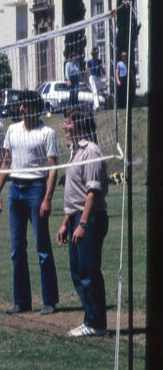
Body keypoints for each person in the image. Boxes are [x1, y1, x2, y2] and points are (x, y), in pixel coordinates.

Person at [0, 90, 60, 315]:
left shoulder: (47, 133)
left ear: (35, 108)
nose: (21, 109)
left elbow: (53, 169)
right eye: (20, 106)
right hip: (16, 190)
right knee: (17, 249)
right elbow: (6, 161)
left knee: (42, 247)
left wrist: (47, 198)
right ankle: (21, 301)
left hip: (36, 190)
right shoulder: (12, 130)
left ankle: (49, 300)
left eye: (25, 106)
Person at [56, 107, 109, 337]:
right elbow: (75, 192)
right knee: (77, 272)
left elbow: (92, 193)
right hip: (77, 217)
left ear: (79, 124)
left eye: (68, 122)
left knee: (88, 271)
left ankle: (96, 324)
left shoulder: (91, 151)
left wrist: (83, 224)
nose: (64, 127)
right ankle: (90, 318)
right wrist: (66, 222)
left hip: (91, 218)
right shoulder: (74, 151)